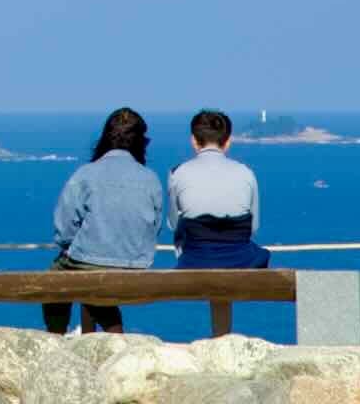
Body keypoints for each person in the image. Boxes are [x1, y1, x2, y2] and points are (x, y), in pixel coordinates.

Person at [43, 107, 165, 334]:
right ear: (140, 142)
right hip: (137, 265)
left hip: (87, 263)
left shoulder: (85, 174)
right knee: (94, 285)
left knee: (56, 280)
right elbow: (154, 227)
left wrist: (71, 246)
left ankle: (55, 337)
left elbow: (64, 229)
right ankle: (115, 335)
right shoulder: (150, 179)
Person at [169, 110, 269, 269]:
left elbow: (174, 224)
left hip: (194, 262)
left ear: (194, 141)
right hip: (241, 263)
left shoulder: (178, 173)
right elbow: (253, 227)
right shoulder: (246, 173)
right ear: (228, 141)